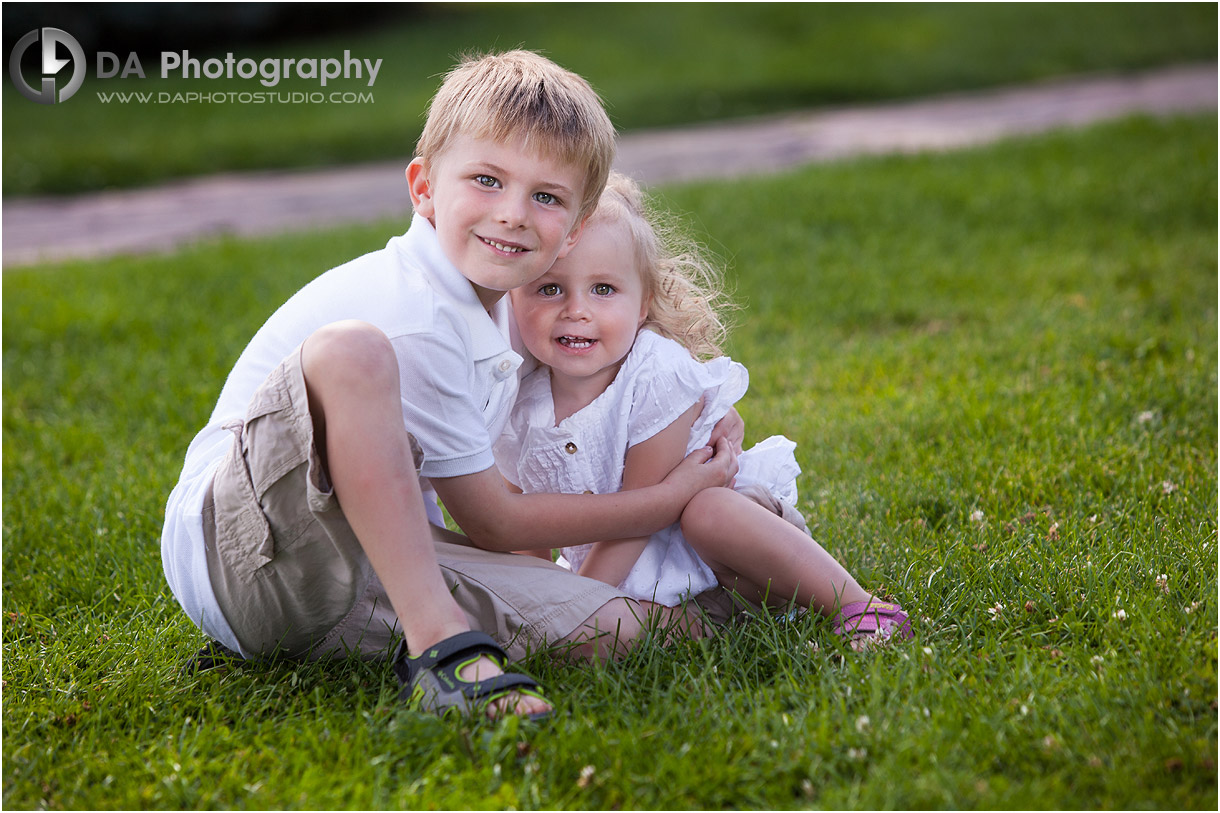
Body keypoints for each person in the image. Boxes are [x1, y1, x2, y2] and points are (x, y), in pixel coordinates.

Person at [160, 51, 740, 723]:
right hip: (248, 550)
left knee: (628, 627)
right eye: (487, 180)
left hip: (356, 566)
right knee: (354, 353)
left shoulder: (501, 305)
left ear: (574, 228)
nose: (514, 214)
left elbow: (617, 371)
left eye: (546, 196)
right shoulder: (415, 309)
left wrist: (701, 412)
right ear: (424, 186)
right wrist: (666, 498)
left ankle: (767, 590)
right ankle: (441, 652)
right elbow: (495, 520)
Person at [495, 173, 913, 645]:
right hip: (656, 592)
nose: (576, 310)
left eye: (603, 289)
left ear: (643, 302)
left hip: (734, 555)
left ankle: (858, 605)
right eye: (549, 289)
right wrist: (529, 606)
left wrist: (570, 606)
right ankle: (725, 629)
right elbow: (524, 526)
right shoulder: (519, 401)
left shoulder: (655, 374)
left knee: (707, 511)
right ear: (512, 298)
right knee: (588, 644)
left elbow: (641, 515)